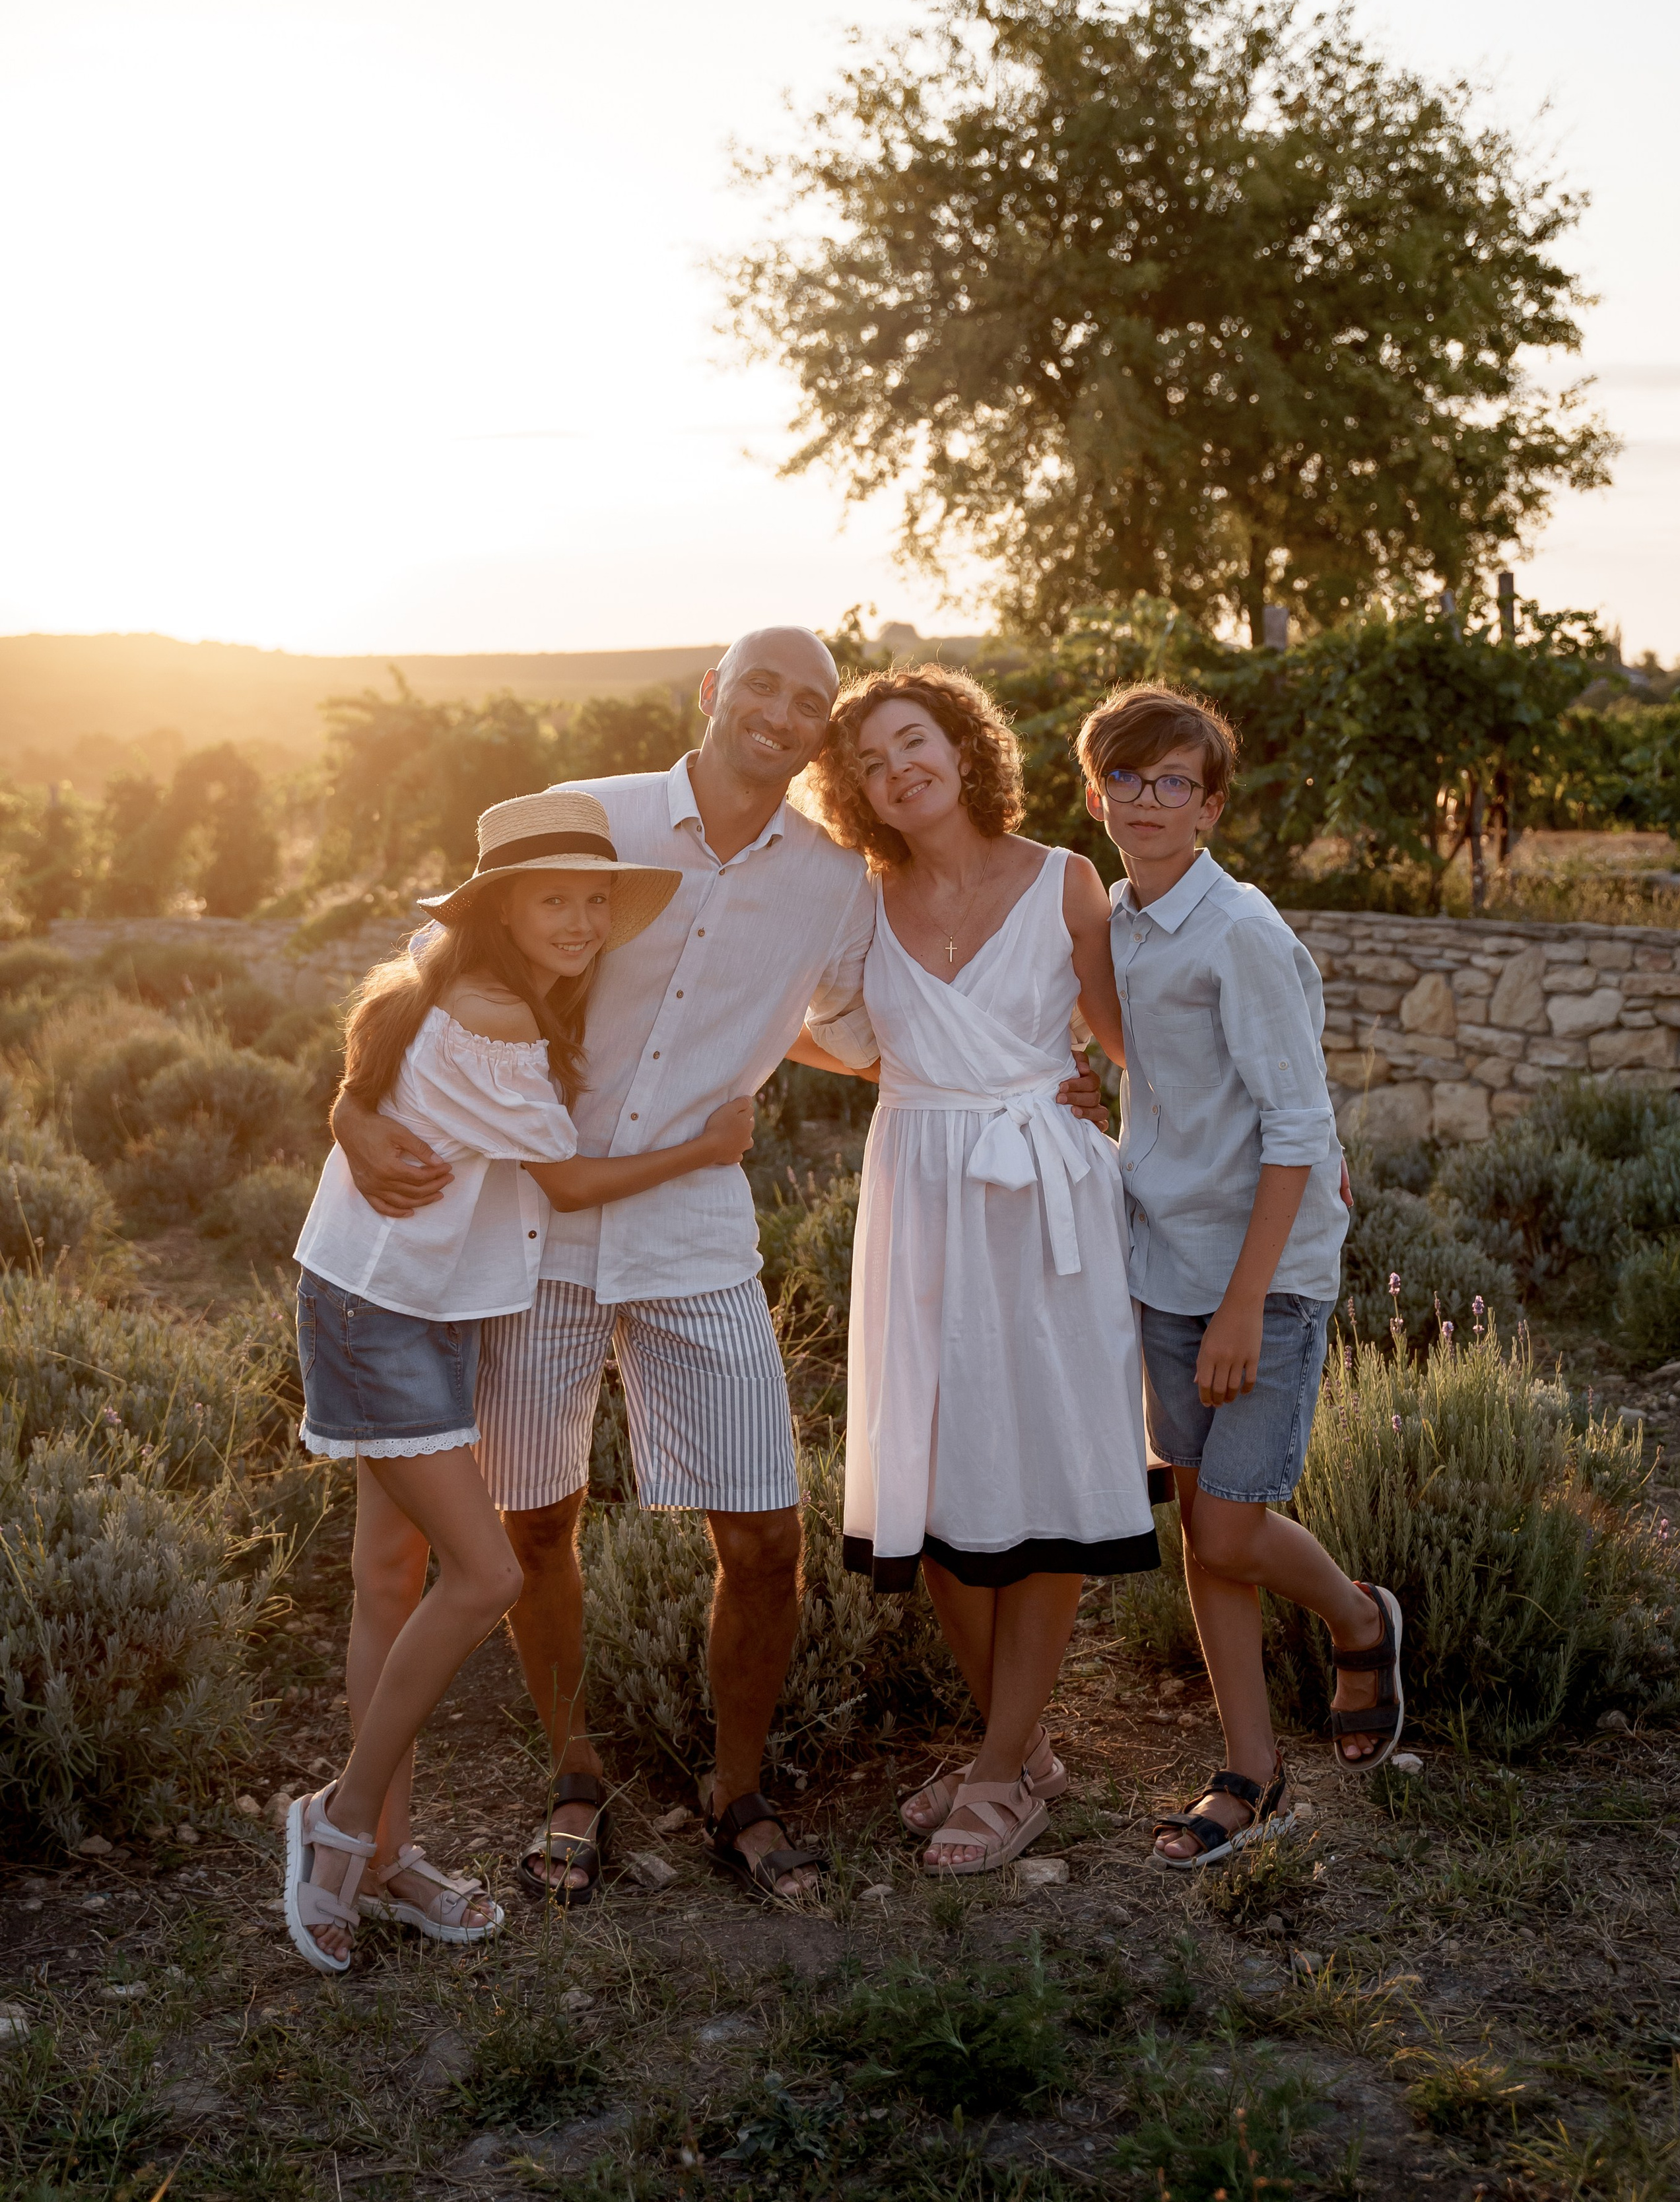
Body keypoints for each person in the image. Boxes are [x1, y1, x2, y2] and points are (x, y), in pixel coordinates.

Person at [333, 629, 1106, 1907]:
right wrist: (353, 1108)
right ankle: (574, 1776)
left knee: (762, 1533)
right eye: (761, 686)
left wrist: (1030, 1078)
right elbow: (444, 971)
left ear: (819, 736)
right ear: (712, 692)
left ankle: (737, 1791)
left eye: (809, 702)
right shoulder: (597, 818)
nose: (780, 713)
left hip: (695, 1236)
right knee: (536, 1521)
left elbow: (872, 1027)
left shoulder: (836, 881)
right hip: (534, 1228)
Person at [281, 789, 755, 1971]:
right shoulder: (491, 1013)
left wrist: (348, 1111)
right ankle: (341, 1824)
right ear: (501, 908)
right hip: (382, 1313)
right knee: (486, 1571)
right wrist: (709, 1147)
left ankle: (386, 1858)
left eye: (596, 900)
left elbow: (373, 1079)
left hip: (426, 1306)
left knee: (386, 1581)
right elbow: (570, 1184)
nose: (583, 921)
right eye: (555, 901)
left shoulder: (459, 977)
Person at [797, 666, 1161, 1878]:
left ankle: (1001, 1772)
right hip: (918, 1197)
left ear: (962, 747)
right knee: (936, 1482)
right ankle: (1023, 1750)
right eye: (868, 763)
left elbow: (1133, 1048)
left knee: (1045, 1470)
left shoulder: (1066, 881)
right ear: (856, 794)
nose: (895, 770)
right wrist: (936, 1075)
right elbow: (816, 1029)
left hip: (1046, 1200)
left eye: (913, 742)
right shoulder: (861, 904)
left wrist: (1279, 1140)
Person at [1077, 682, 1404, 1873]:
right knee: (1206, 1535)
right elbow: (1159, 1058)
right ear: (1098, 795)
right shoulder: (1121, 915)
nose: (1147, 800)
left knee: (1226, 1525)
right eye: (1125, 777)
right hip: (1163, 1259)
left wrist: (1245, 1306)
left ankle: (1360, 1620)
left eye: (1174, 782)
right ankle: (1249, 1771)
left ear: (1211, 807)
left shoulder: (1241, 932)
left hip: (1259, 1275)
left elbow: (1297, 1128)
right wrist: (1098, 1093)